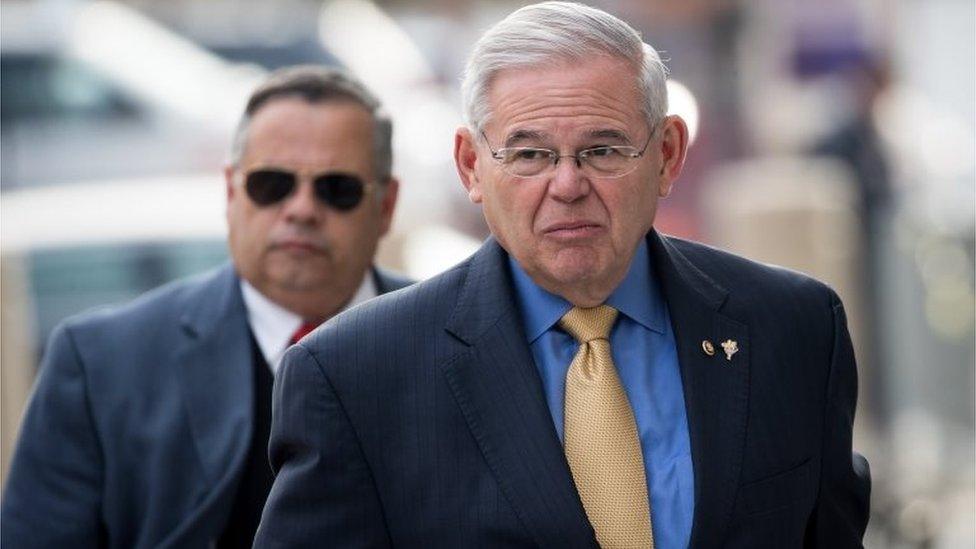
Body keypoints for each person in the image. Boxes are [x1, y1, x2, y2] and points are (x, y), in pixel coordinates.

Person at [255, 3, 871, 548]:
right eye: (529, 155)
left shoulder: (792, 329)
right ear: (472, 166)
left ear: (667, 155)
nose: (568, 186)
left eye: (603, 150)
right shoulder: (353, 374)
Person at [2, 66, 409, 548]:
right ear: (232, 191)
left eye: (336, 188)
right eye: (271, 184)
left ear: (385, 207)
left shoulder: (457, 342)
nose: (301, 209)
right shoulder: (97, 364)